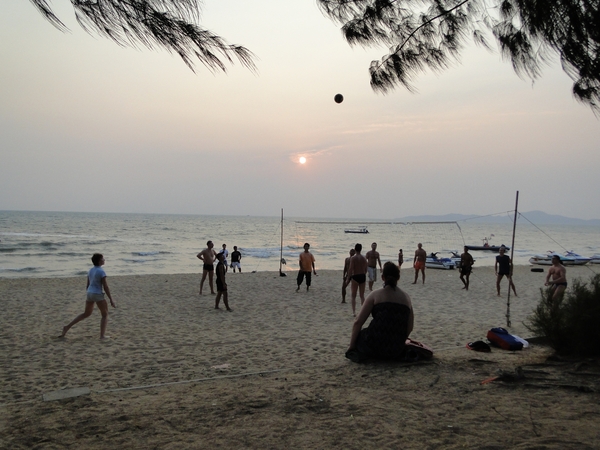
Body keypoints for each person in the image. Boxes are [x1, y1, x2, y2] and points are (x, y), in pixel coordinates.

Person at [346, 262, 414, 362]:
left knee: (361, 335)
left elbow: (358, 322)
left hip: (374, 344)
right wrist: (400, 341)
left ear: (383, 277)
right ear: (398, 278)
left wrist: (351, 347)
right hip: (395, 348)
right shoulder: (406, 298)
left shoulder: (375, 295)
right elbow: (410, 326)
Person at [60, 253, 116, 340]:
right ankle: (102, 336)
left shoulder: (90, 270)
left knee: (86, 314)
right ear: (99, 261)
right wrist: (111, 299)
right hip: (97, 294)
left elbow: (88, 285)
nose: (104, 260)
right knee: (104, 315)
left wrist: (89, 294)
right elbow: (105, 286)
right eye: (102, 259)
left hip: (90, 293)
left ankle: (67, 327)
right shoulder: (101, 271)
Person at [346, 243, 368, 316]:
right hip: (362, 276)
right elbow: (366, 269)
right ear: (361, 249)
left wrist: (348, 278)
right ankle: (363, 311)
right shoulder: (364, 258)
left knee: (353, 295)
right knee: (362, 295)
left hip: (355, 276)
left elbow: (350, 268)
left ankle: (354, 312)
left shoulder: (353, 258)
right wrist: (364, 273)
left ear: (355, 249)